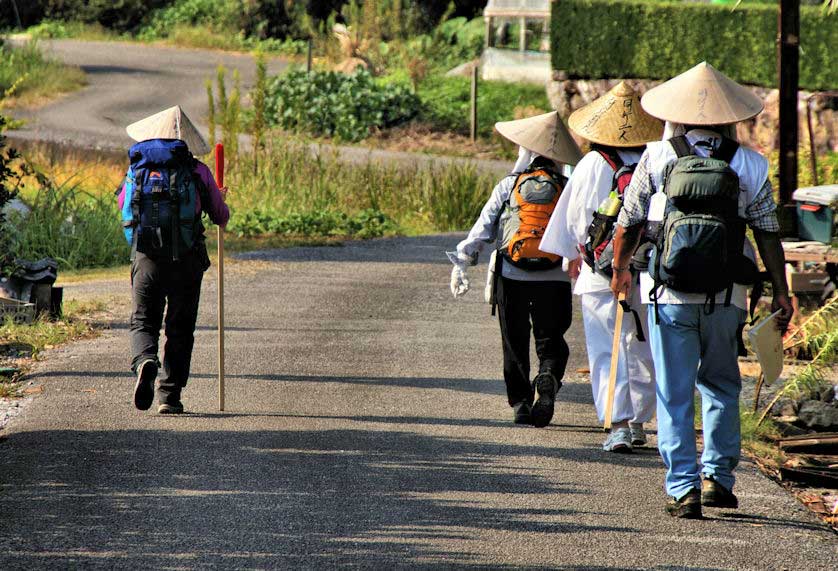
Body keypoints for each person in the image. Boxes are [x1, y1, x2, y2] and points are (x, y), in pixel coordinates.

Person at [609, 63, 793, 518]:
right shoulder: (749, 163)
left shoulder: (656, 156)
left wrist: (619, 271)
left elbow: (628, 221)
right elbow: (768, 232)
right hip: (726, 295)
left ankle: (683, 489)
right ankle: (718, 479)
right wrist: (781, 291)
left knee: (674, 392)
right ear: (729, 116)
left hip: (668, 294)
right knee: (721, 385)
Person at [540, 81, 663, 452]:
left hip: (600, 271)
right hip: (644, 269)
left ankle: (618, 424)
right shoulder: (655, 160)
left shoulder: (591, 163)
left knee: (606, 348)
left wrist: (575, 256)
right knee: (641, 343)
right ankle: (641, 421)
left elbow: (573, 220)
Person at [449, 111, 582, 427]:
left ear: (527, 153)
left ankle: (521, 403)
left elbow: (484, 228)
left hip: (512, 274)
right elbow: (580, 229)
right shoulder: (568, 186)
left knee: (514, 339)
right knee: (551, 338)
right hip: (555, 276)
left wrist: (462, 262)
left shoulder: (509, 184)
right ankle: (547, 375)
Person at [118, 106, 230, 414]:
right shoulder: (197, 171)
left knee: (143, 320)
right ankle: (170, 395)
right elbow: (221, 216)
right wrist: (218, 196)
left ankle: (145, 361)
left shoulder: (135, 170)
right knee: (180, 327)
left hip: (146, 259)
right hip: (186, 260)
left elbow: (124, 209)